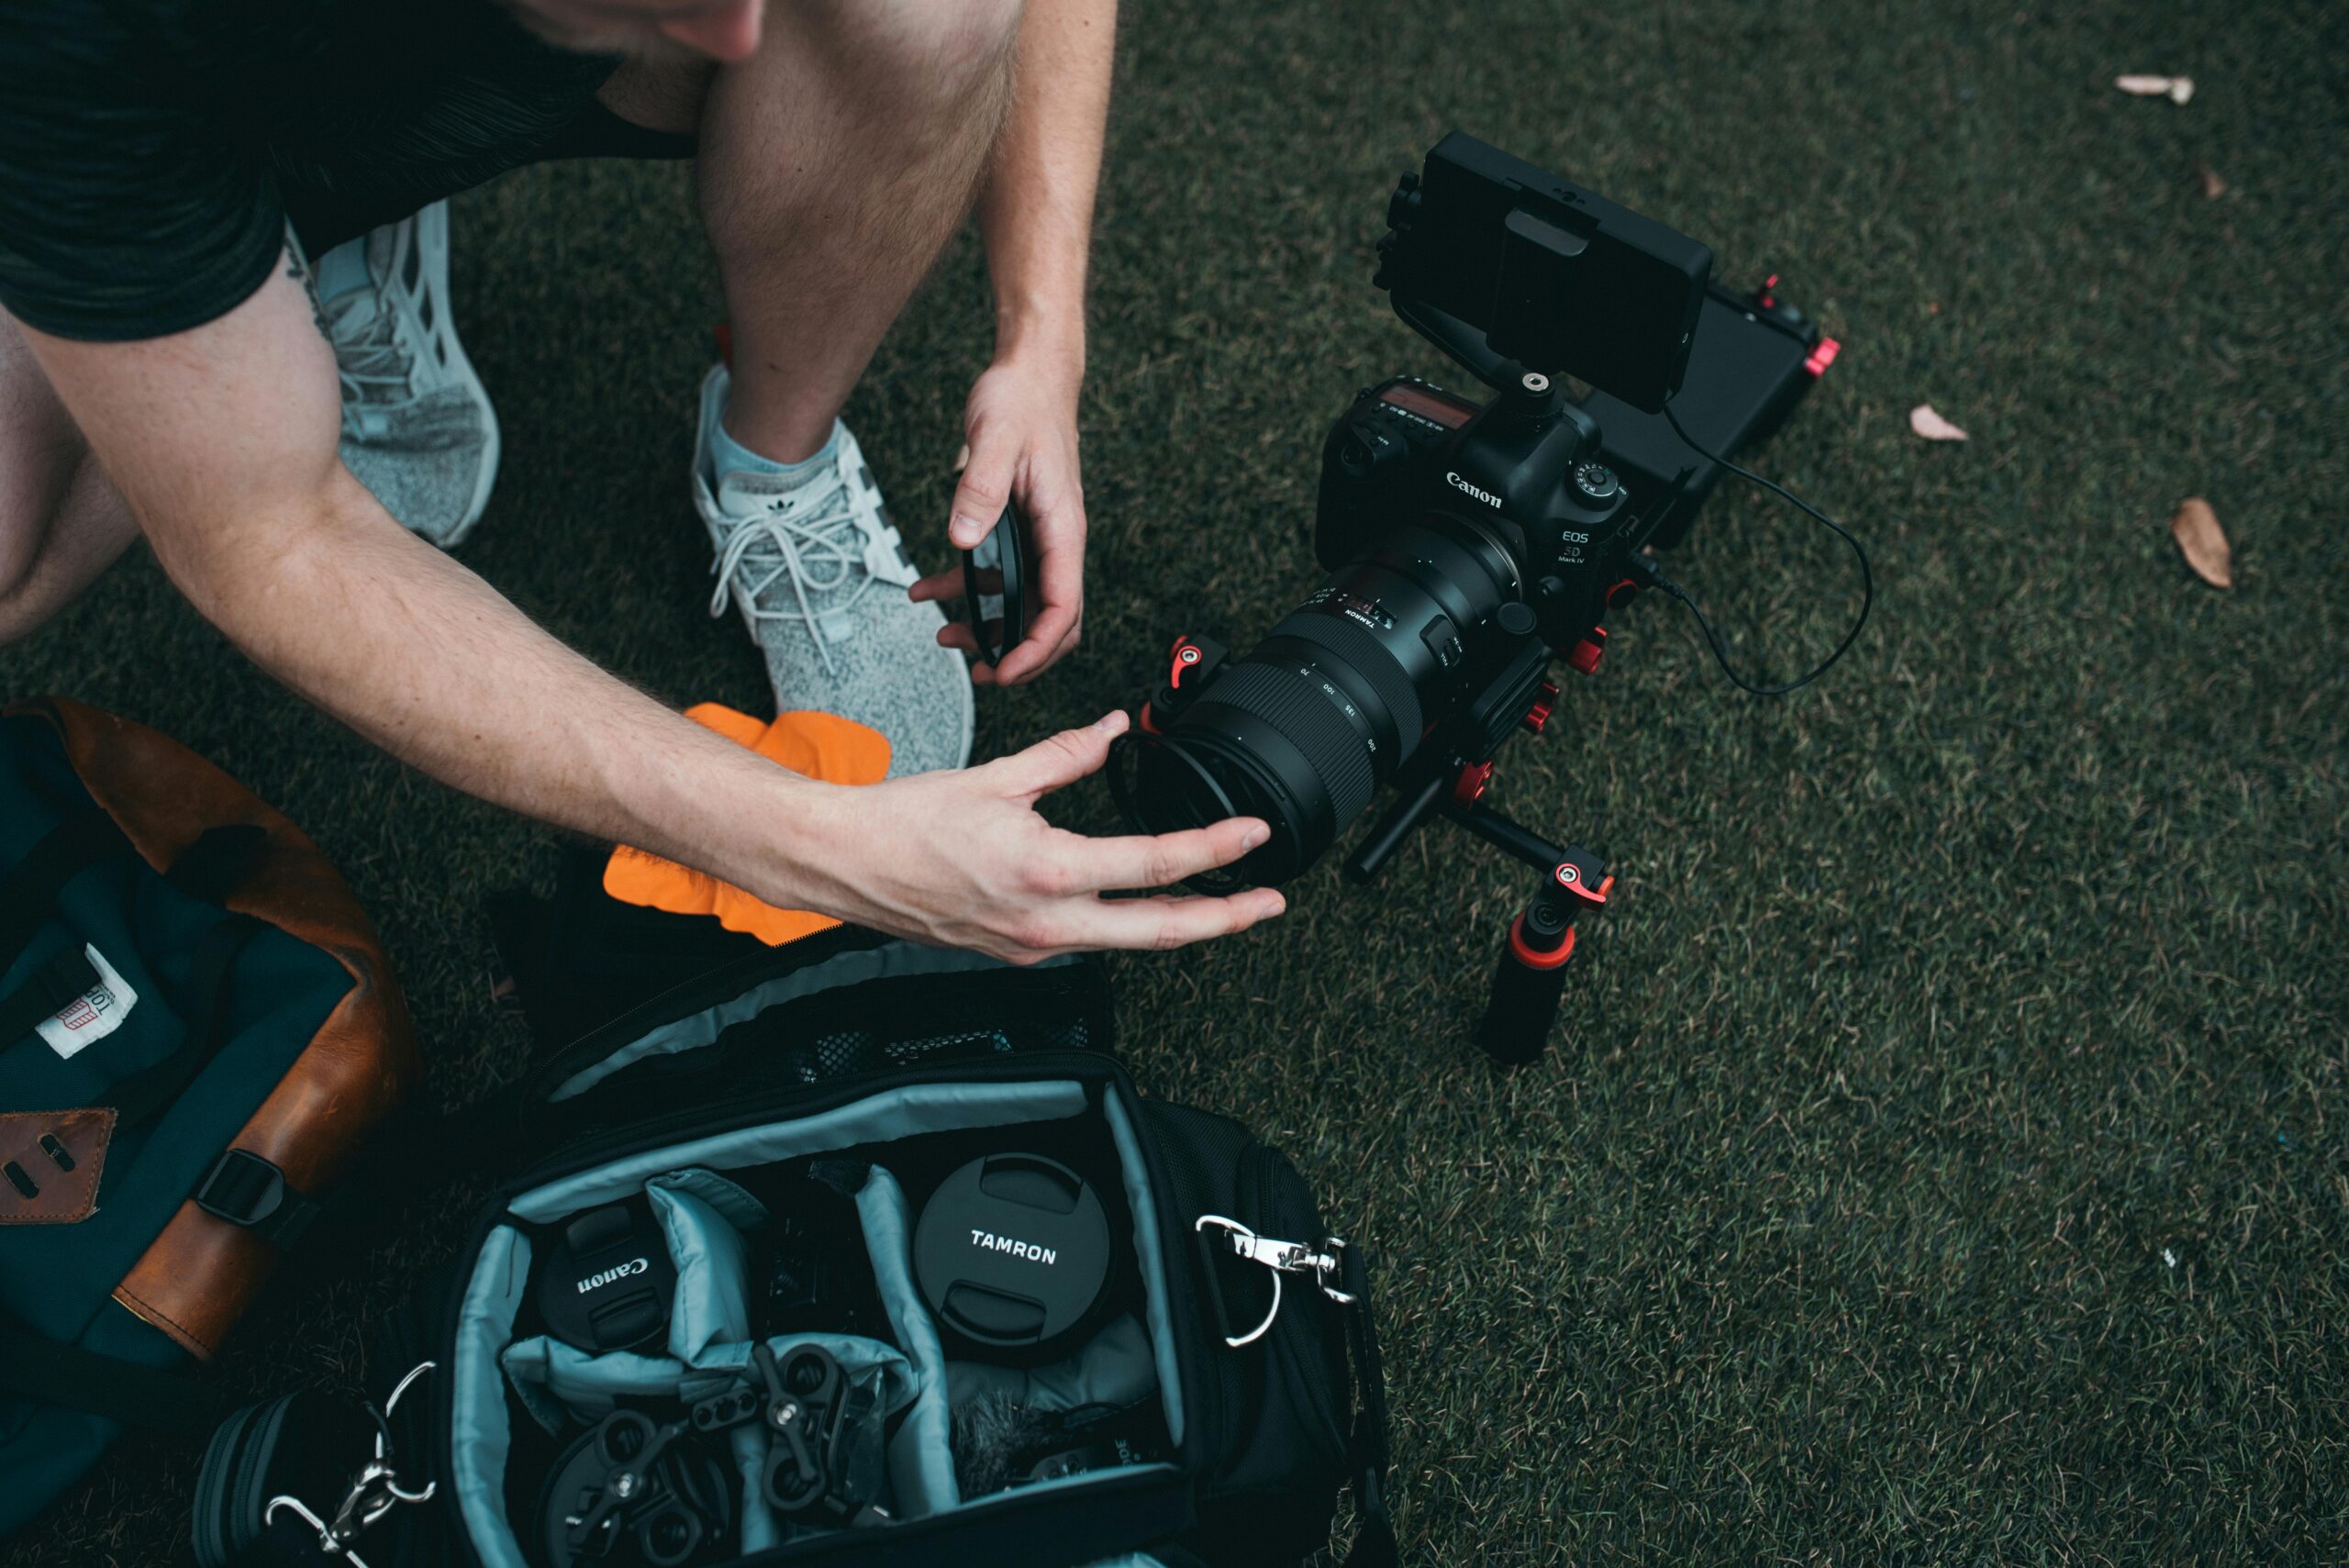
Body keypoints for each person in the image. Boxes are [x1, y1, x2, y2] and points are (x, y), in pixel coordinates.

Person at [0, 0, 1286, 962]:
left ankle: (770, 464)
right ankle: (252, 268)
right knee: (15, 548)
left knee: (916, 9)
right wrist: (822, 843)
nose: (739, 27)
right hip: (160, 98)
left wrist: (1043, 337)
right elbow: (268, 538)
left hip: (406, 48)